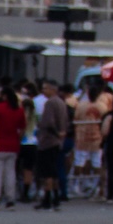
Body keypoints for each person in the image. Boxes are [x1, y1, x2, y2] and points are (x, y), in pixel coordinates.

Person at [0, 84, 24, 207]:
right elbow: (22, 128)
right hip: (12, 145)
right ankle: (10, 198)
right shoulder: (19, 110)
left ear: (4, 96)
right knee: (10, 173)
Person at [35, 78, 68, 210]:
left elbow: (49, 122)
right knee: (54, 171)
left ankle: (47, 198)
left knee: (47, 172)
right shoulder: (61, 102)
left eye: (45, 88)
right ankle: (56, 197)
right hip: (57, 142)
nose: (43, 91)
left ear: (52, 89)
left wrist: (56, 132)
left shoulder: (50, 103)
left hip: (48, 141)